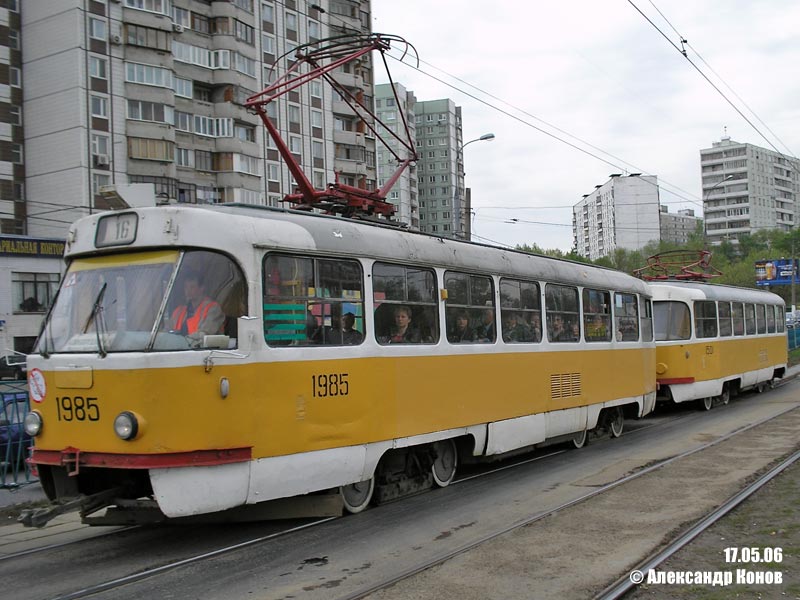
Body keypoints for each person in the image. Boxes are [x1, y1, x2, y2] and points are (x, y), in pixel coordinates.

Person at [171, 272, 225, 340]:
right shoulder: (179, 311)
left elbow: (205, 334)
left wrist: (184, 340)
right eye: (186, 287)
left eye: (192, 287)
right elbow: (167, 331)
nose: (188, 290)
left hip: (200, 349)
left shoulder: (213, 309)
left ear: (201, 288)